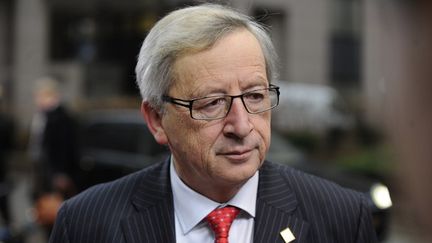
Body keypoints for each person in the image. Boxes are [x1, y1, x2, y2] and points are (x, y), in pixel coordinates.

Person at [49, 4, 377, 243]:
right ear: (157, 120)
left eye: (255, 96)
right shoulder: (86, 223)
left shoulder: (342, 217)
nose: (242, 125)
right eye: (211, 103)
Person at [28, 77, 79, 230]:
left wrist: (60, 172)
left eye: (40, 96)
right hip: (45, 169)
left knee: (54, 208)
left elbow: (64, 146)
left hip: (54, 171)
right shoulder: (45, 115)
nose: (38, 100)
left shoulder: (60, 117)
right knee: (44, 205)